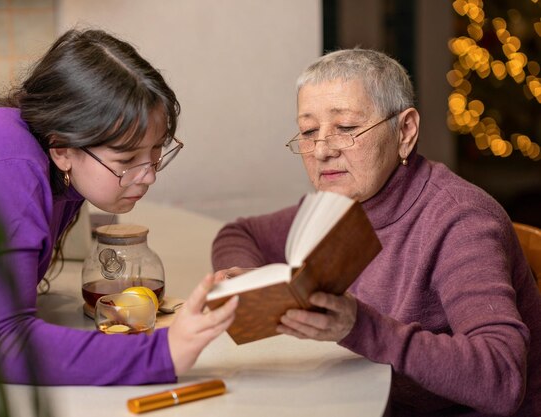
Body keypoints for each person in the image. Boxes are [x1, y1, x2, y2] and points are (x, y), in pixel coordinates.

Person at [211, 49, 541, 416]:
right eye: (308, 131)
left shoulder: (460, 220)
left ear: (405, 131)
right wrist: (251, 284)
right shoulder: (343, 203)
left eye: (347, 128)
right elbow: (239, 234)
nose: (321, 150)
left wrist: (359, 326)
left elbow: (504, 378)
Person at [0, 28, 238, 385]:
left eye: (157, 150)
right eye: (128, 157)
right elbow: (2, 344)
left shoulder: (62, 167)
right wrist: (163, 352)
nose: (148, 176)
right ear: (63, 150)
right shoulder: (7, 167)